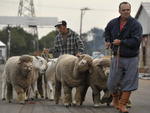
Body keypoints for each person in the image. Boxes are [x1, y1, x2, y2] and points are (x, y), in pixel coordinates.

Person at [104, 2, 142, 113]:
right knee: (111, 82)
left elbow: (136, 41)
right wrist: (107, 41)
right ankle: (115, 99)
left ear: (130, 10)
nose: (126, 12)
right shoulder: (112, 23)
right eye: (124, 10)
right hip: (117, 57)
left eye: (128, 10)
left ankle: (122, 104)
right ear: (119, 11)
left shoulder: (136, 25)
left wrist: (121, 42)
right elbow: (107, 32)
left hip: (131, 57)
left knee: (129, 81)